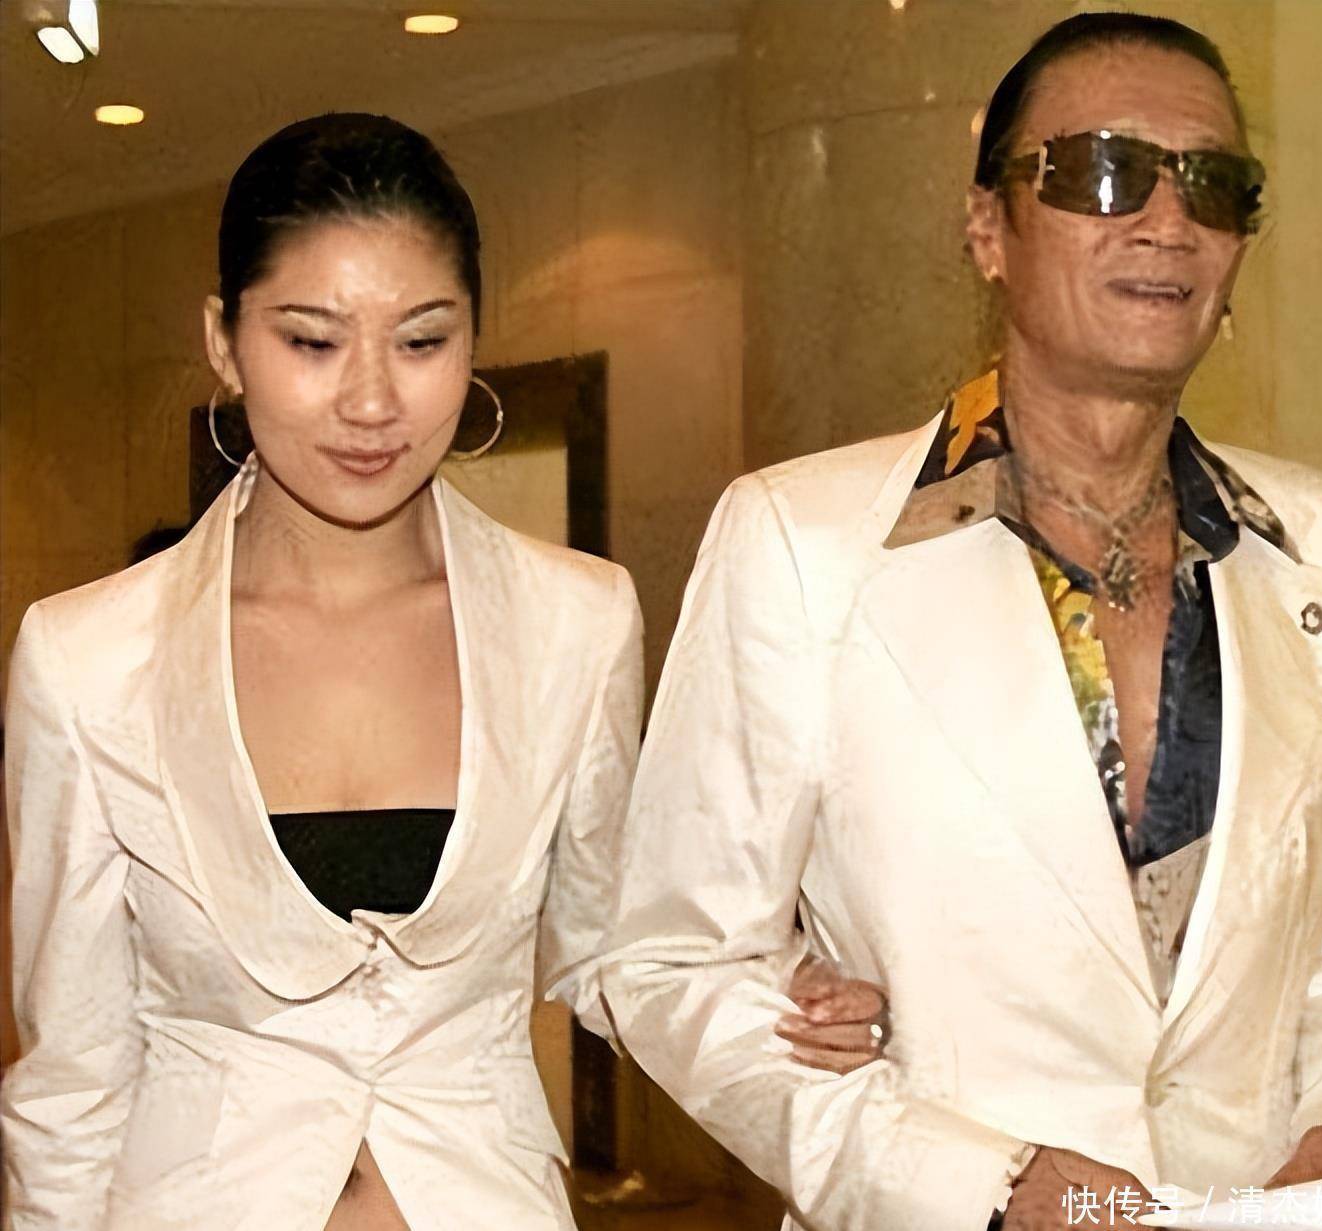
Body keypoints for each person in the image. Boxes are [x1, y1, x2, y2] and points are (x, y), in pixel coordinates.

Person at [1, 113, 881, 1231]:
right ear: (224, 341)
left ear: (472, 338)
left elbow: (613, 949)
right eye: (311, 342)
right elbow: (71, 1080)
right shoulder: (87, 658)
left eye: (421, 342)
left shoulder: (577, 621)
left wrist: (778, 996)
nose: (372, 402)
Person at [598, 13, 1322, 1231]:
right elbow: (672, 962)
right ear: (988, 229)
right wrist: (978, 1183)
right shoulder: (803, 543)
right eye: (1101, 172)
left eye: (1212, 184)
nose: (1165, 220)